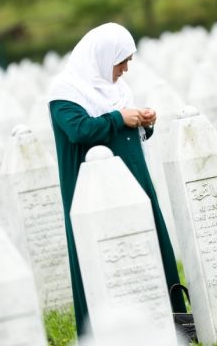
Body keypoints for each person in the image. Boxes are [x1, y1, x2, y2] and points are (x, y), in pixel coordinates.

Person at [48, 23, 186, 336]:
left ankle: (168, 324)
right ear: (100, 57)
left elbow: (123, 130)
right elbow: (79, 130)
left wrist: (143, 121)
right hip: (94, 191)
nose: (125, 69)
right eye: (121, 61)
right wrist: (119, 118)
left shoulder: (117, 91)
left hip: (134, 181)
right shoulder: (65, 92)